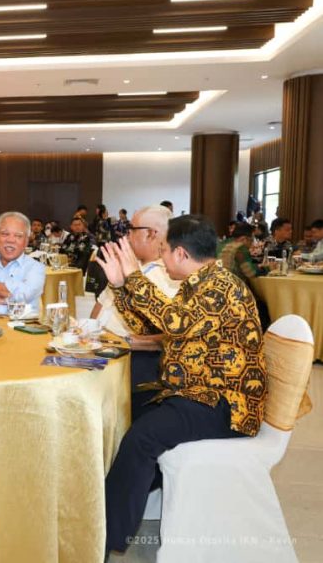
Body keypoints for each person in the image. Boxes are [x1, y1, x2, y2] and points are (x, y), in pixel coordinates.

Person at [97, 216, 266, 557]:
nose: (161, 259)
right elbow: (154, 326)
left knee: (142, 437)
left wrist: (132, 277)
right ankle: (120, 501)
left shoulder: (220, 287)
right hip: (196, 389)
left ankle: (106, 538)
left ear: (180, 254)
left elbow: (174, 322)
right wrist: (120, 286)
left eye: (163, 252)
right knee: (130, 409)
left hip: (223, 403)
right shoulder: (201, 282)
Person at [91, 205, 179, 419]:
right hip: (100, 348)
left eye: (131, 229)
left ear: (151, 234)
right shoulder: (129, 266)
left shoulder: (170, 275)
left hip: (135, 359)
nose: (126, 235)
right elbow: (100, 306)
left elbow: (172, 334)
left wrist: (125, 342)